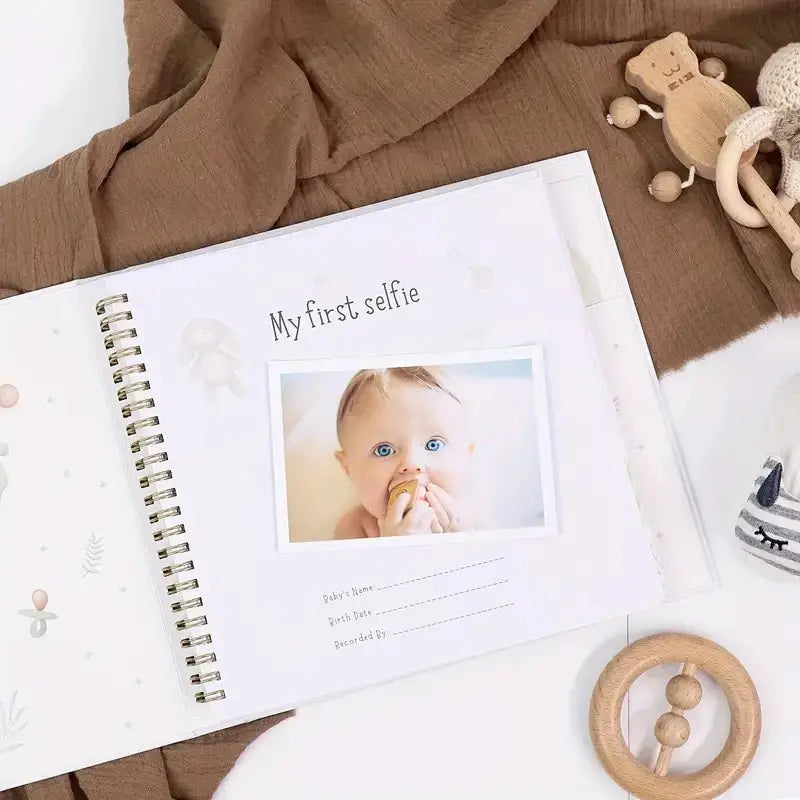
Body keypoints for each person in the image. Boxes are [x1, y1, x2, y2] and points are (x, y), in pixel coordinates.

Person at [333, 366, 475, 539]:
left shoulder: (472, 520)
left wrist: (462, 542)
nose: (412, 463)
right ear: (349, 468)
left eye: (434, 445)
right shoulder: (355, 528)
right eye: (384, 450)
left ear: (467, 458)